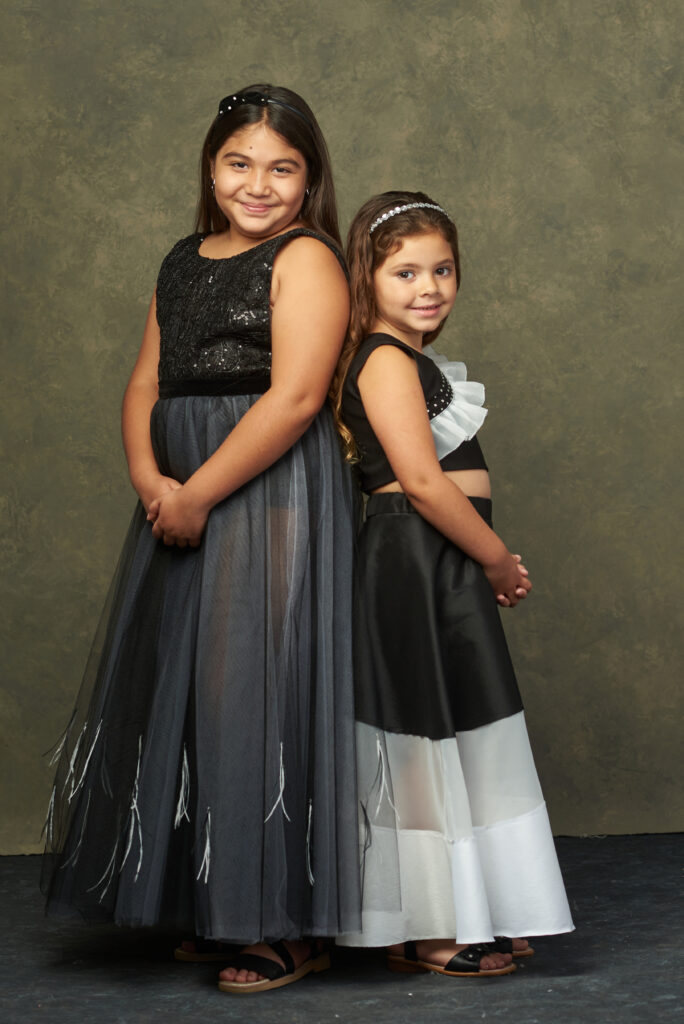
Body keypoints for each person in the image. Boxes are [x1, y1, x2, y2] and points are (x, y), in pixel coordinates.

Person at [41, 85, 361, 995]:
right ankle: (221, 900)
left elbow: (296, 397)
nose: (257, 185)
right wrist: (152, 481)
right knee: (190, 692)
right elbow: (144, 384)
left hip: (266, 492)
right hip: (178, 492)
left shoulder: (307, 260)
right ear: (210, 167)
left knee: (256, 689)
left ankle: (287, 921)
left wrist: (199, 494)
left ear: (309, 182)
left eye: (281, 168)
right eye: (238, 163)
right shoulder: (181, 259)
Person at [332, 191, 574, 977]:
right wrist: (498, 557)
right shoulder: (382, 358)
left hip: (440, 564)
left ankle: (475, 903)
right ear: (367, 278)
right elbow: (425, 483)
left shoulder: (413, 357)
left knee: (465, 729)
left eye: (442, 269)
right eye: (405, 272)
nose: (427, 286)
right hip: (413, 557)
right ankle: (425, 922)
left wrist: (474, 563)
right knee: (418, 739)